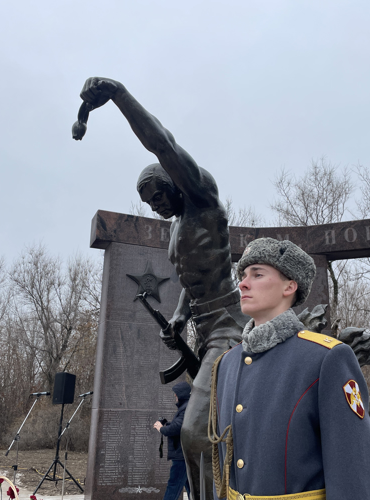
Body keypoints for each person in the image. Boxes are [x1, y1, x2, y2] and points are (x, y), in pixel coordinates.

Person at [79, 77, 249, 500]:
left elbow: (163, 145)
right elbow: (193, 285)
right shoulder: (176, 231)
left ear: (175, 182)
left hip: (231, 324)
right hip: (206, 329)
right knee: (205, 435)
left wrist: (118, 96)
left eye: (158, 195)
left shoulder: (202, 200)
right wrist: (177, 318)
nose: (156, 206)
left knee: (194, 432)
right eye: (150, 203)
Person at [209, 238, 370, 500]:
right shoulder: (226, 364)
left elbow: (354, 472)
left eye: (257, 274)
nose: (243, 283)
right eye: (243, 275)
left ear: (290, 285)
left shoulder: (327, 358)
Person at [155, 382, 192, 500]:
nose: (175, 396)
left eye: (176, 394)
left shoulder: (186, 408)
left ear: (181, 394)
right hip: (184, 454)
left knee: (174, 485)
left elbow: (177, 427)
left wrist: (161, 428)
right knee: (192, 488)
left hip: (181, 455)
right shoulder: (186, 407)